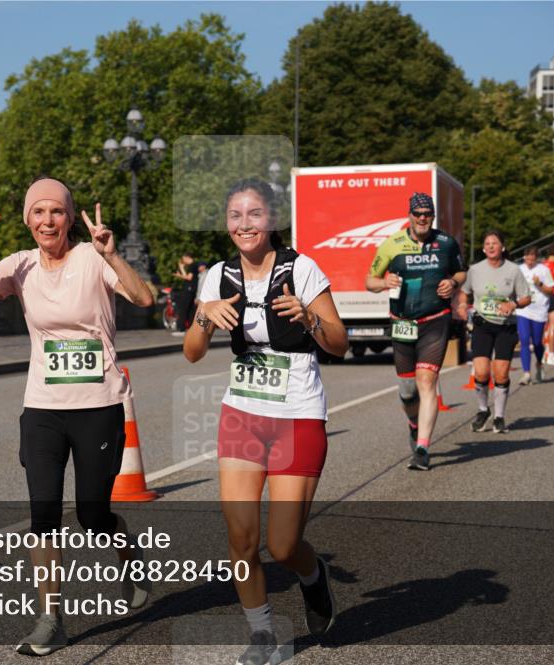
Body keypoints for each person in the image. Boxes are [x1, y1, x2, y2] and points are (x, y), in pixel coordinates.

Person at [0, 177, 155, 656]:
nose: (47, 220)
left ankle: (126, 555)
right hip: (42, 407)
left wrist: (112, 254)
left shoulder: (90, 259)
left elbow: (143, 299)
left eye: (56, 212)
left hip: (98, 405)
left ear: (68, 218)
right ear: (27, 220)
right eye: (37, 212)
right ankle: (51, 619)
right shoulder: (18, 265)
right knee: (43, 514)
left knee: (92, 514)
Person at [184, 178, 348, 665]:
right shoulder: (217, 275)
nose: (244, 224)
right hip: (242, 413)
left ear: (271, 220)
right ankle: (261, 635)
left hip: (297, 413)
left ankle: (313, 577)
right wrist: (204, 317)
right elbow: (192, 353)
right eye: (235, 216)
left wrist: (309, 318)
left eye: (254, 214)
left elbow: (340, 343)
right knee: (241, 536)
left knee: (281, 544)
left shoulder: (302, 269)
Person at [365, 192, 465, 471]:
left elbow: (460, 272)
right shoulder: (391, 245)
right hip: (403, 323)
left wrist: (453, 284)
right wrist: (384, 283)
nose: (422, 219)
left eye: (427, 214)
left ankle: (422, 448)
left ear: (433, 216)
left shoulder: (446, 244)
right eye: (417, 214)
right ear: (409, 215)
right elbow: (369, 280)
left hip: (435, 319)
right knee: (408, 391)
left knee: (427, 380)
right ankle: (413, 422)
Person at [456, 230, 532, 434]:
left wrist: (513, 304)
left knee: (501, 373)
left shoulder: (514, 270)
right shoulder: (475, 270)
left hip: (506, 326)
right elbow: (465, 292)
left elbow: (527, 298)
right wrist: (463, 306)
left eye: (495, 243)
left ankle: (499, 416)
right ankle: (483, 410)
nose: (490, 246)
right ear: (483, 248)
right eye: (487, 243)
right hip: (482, 325)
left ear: (503, 247)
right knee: (481, 371)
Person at [516, 246, 554, 385]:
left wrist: (539, 284)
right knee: (525, 340)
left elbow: (551, 290)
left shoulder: (543, 270)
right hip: (523, 310)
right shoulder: (519, 269)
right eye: (528, 257)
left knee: (537, 342)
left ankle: (539, 363)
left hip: (539, 310)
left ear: (536, 258)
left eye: (533, 258)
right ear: (524, 257)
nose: (530, 261)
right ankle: (526, 373)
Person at [173, 253, 199, 334]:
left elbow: (189, 278)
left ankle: (181, 328)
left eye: (183, 259)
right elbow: (187, 276)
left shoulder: (192, 266)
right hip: (192, 289)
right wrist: (182, 268)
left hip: (188, 289)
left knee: (183, 308)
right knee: (191, 309)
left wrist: (179, 275)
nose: (183, 261)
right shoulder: (194, 265)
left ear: (187, 257)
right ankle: (192, 328)